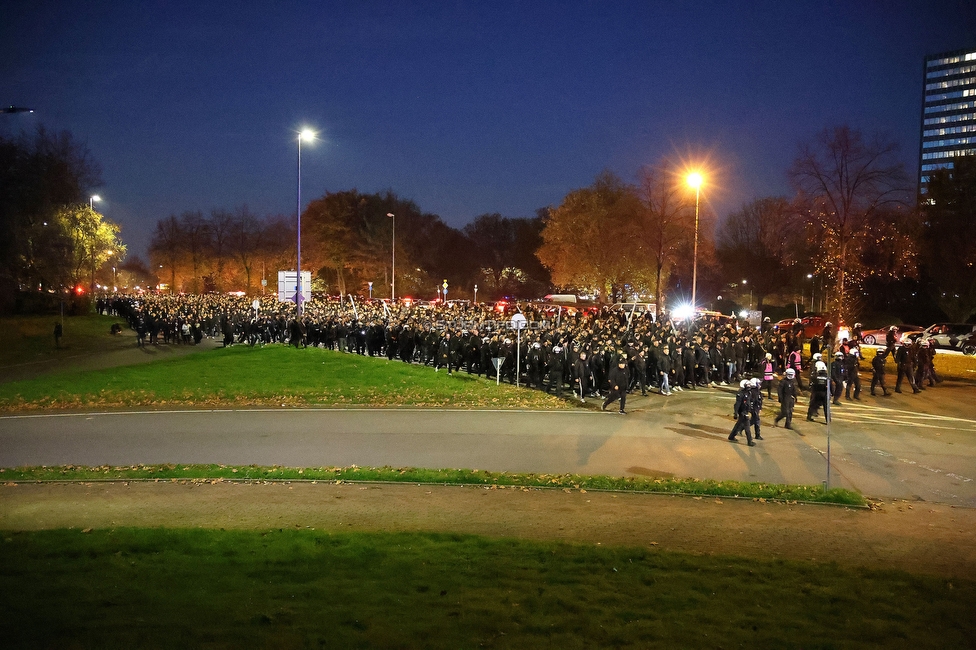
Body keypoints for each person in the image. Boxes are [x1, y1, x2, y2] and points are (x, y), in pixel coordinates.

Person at [729, 379, 755, 446]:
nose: (749, 386)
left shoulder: (749, 393)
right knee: (747, 427)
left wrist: (751, 410)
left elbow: (749, 402)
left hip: (746, 411)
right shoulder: (741, 394)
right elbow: (737, 404)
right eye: (748, 385)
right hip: (743, 412)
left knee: (738, 425)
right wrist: (735, 413)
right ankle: (749, 441)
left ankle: (731, 436)